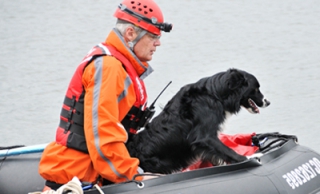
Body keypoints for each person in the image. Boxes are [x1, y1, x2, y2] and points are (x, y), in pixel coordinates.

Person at [38, 0, 172, 190]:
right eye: (152, 36)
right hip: (74, 180)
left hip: (93, 176)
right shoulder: (108, 68)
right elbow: (103, 133)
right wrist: (135, 175)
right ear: (130, 34)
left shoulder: (118, 66)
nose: (158, 43)